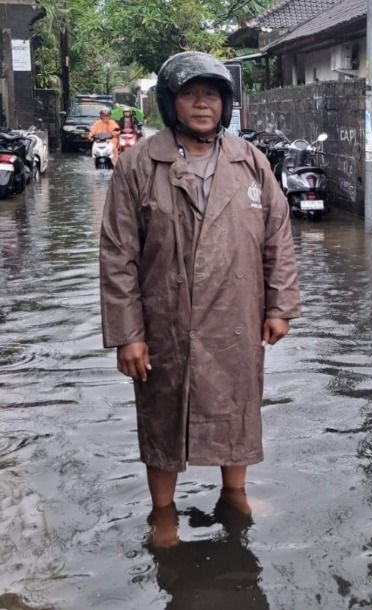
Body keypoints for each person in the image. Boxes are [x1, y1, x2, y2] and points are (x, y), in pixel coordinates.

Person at [99, 51, 301, 525]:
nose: (202, 104)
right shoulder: (140, 165)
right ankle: (163, 512)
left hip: (236, 313)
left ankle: (235, 494)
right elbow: (117, 254)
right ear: (172, 103)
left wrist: (281, 306)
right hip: (165, 317)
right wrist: (128, 333)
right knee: (162, 411)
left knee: (238, 404)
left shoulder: (250, 161)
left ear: (224, 103)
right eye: (190, 94)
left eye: (211, 94)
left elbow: (278, 234)